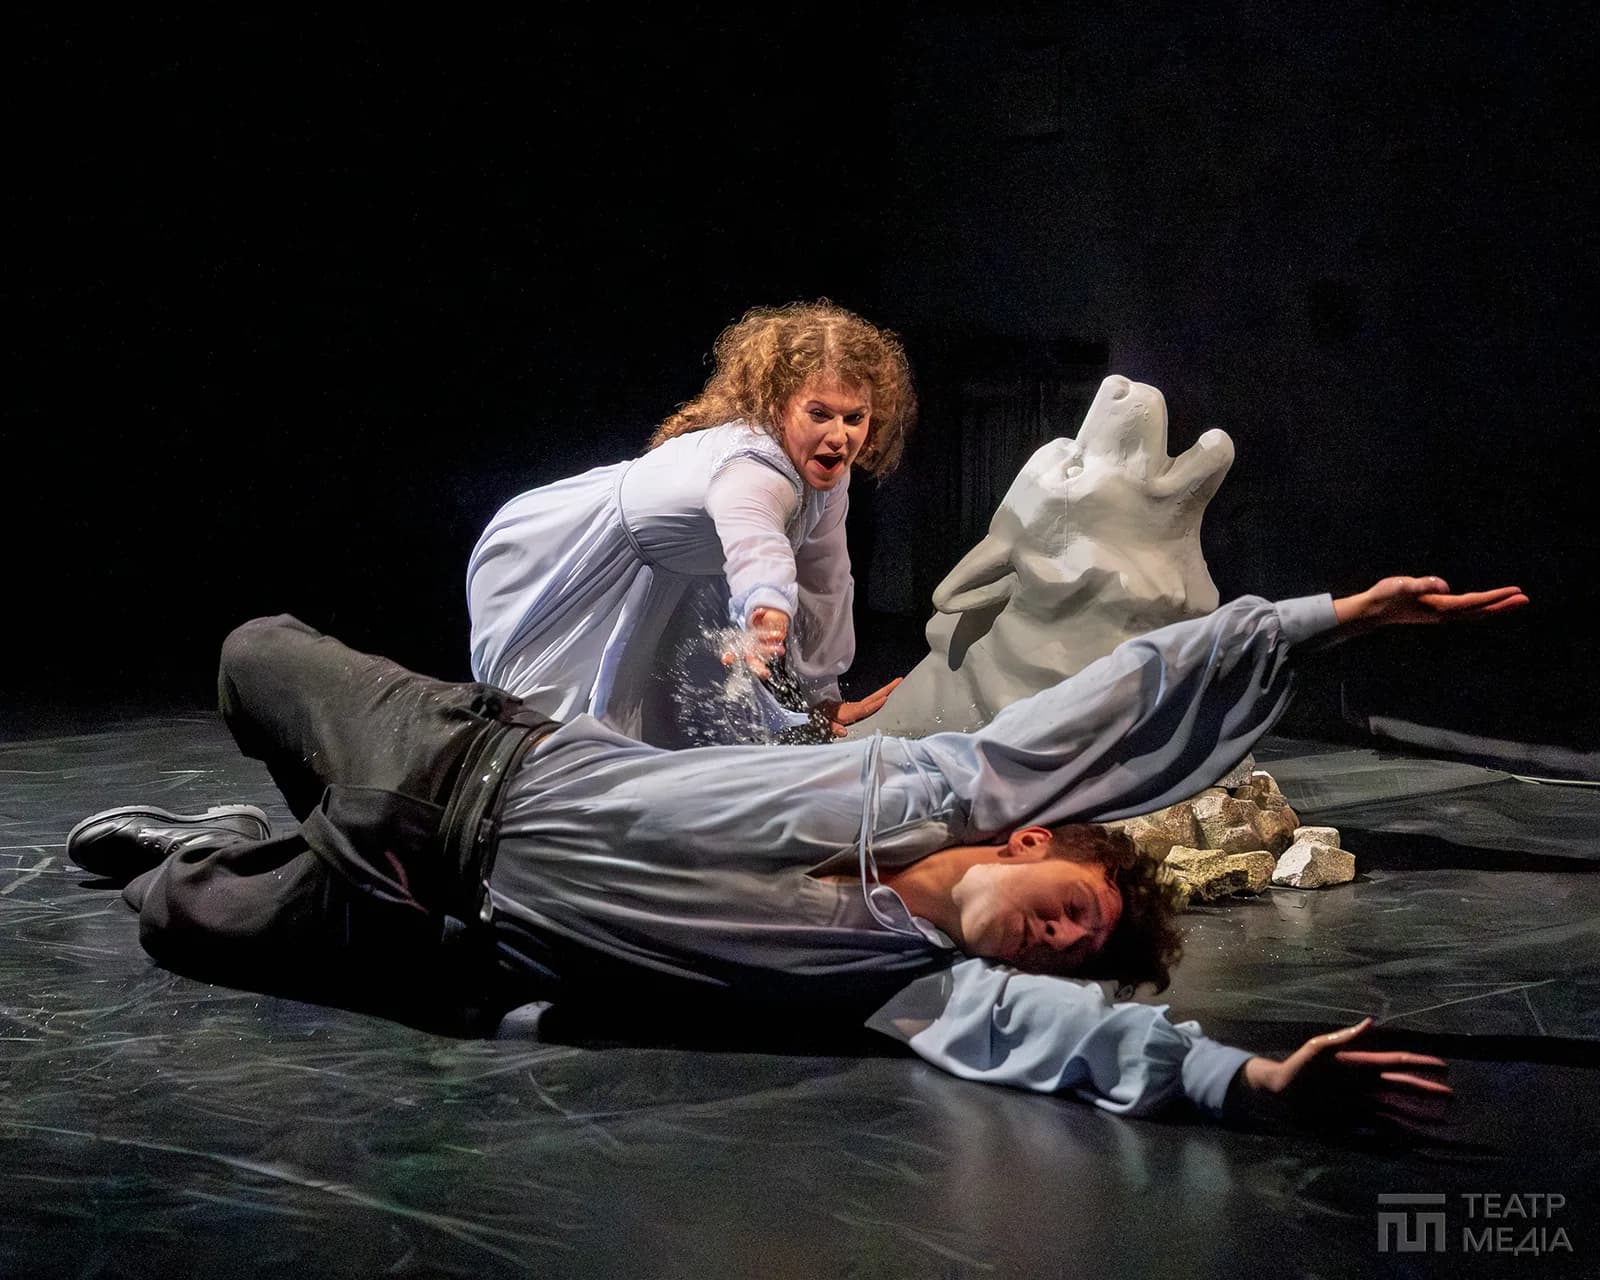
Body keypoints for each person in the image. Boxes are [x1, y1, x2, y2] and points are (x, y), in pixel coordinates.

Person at [65, 576, 1526, 1126]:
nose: (1066, 939)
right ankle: (287, 806)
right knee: (252, 648)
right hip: (466, 754)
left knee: (175, 913)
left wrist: (1251, 1080)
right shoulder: (940, 782)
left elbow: (1089, 1051)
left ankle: (235, 853)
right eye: (1079, 907)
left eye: (1077, 952)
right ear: (1031, 840)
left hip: (423, 904)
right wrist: (1325, 621)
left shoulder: (904, 988)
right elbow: (1121, 696)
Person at [465, 299, 911, 748]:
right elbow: (756, 542)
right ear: (779, 408)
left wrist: (821, 695)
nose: (839, 436)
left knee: (665, 746)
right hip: (581, 564)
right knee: (547, 738)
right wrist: (765, 605)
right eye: (819, 414)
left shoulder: (830, 479)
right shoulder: (753, 469)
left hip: (676, 579)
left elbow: (826, 583)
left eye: (854, 418)